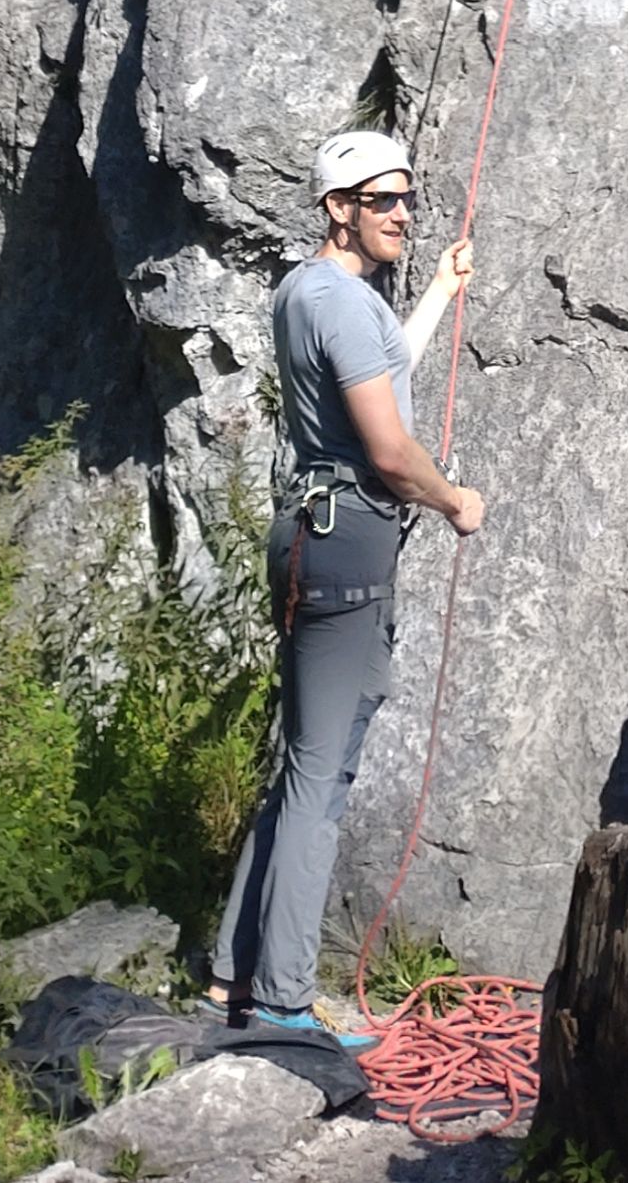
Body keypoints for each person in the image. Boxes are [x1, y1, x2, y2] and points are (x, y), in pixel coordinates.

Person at [208, 131, 483, 1034]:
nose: (401, 212)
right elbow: (391, 450)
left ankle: (232, 972)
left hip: (312, 526)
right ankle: (282, 998)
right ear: (337, 207)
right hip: (348, 535)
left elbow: (381, 371)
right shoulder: (344, 303)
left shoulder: (308, 291)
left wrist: (438, 289)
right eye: (381, 199)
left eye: (406, 198)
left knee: (305, 761)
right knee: (319, 774)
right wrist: (454, 501)